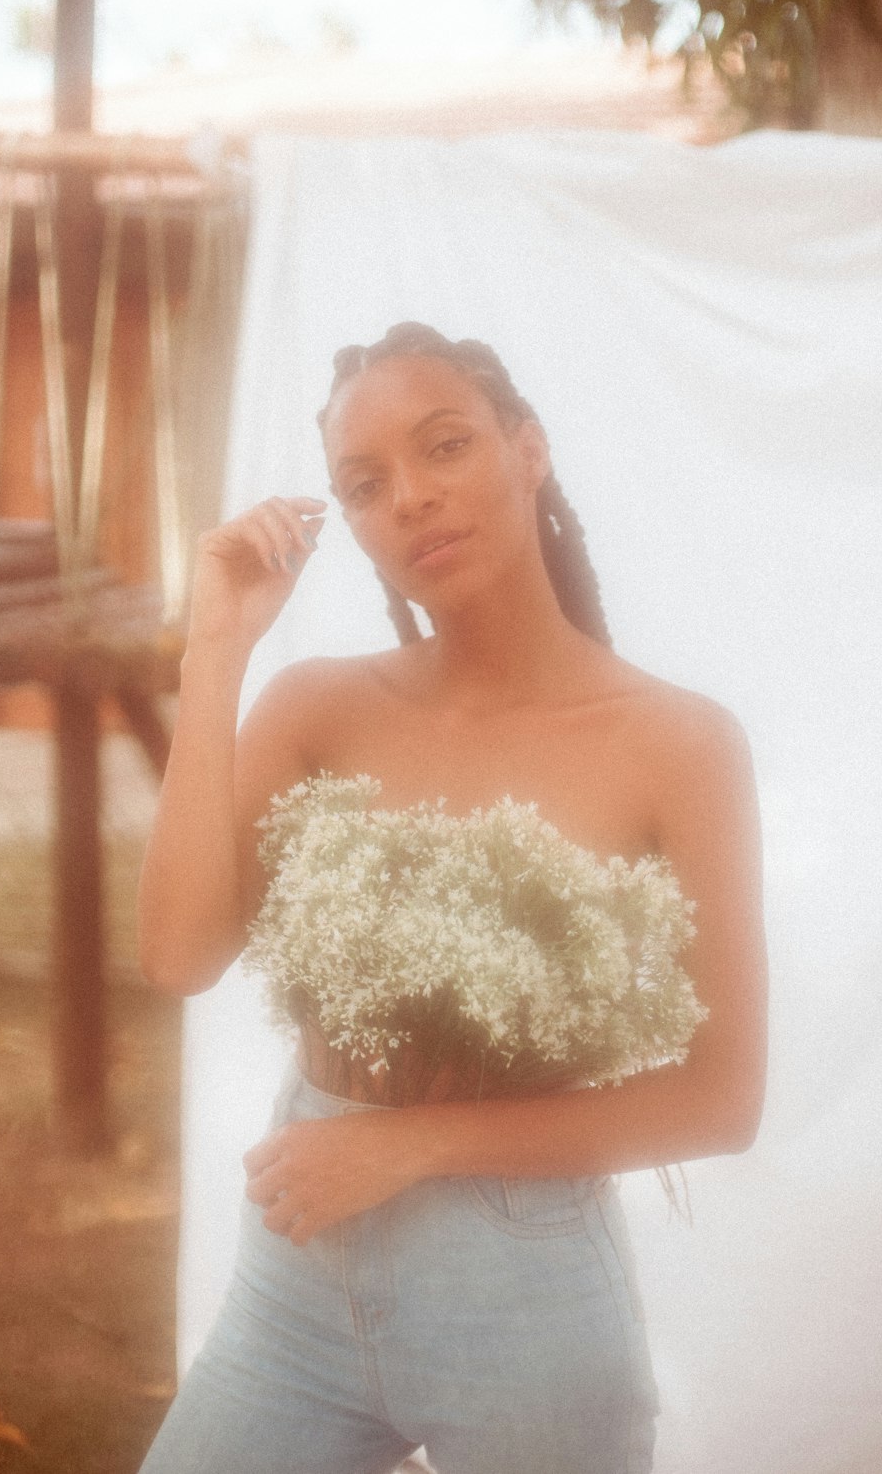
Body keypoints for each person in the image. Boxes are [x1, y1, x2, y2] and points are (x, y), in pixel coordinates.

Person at [134, 322, 768, 1474]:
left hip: (520, 1294)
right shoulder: (316, 707)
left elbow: (721, 1101)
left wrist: (412, 1147)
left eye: (445, 448)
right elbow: (177, 957)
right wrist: (214, 651)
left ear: (529, 450)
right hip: (296, 1278)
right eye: (365, 486)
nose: (412, 500)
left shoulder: (680, 744)